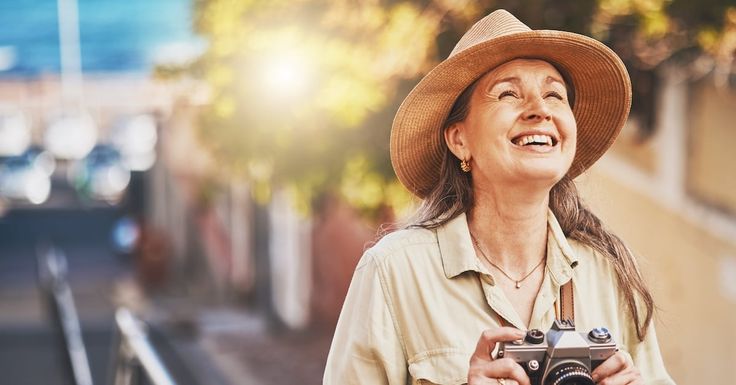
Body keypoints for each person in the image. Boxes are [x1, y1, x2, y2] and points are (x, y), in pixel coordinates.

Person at [324, 9, 675, 385]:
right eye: (508, 93)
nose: (540, 110)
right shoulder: (395, 272)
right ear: (459, 139)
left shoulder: (609, 274)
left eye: (555, 95)